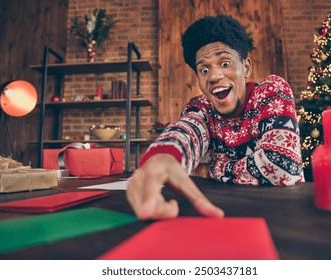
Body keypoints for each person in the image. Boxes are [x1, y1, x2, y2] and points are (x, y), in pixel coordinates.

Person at [127, 14, 304, 220]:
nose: (213, 76)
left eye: (225, 63)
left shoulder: (271, 91)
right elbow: (186, 131)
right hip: (225, 215)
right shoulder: (201, 108)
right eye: (204, 69)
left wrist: (215, 168)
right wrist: (164, 156)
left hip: (286, 216)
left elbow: (282, 166)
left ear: (246, 68)